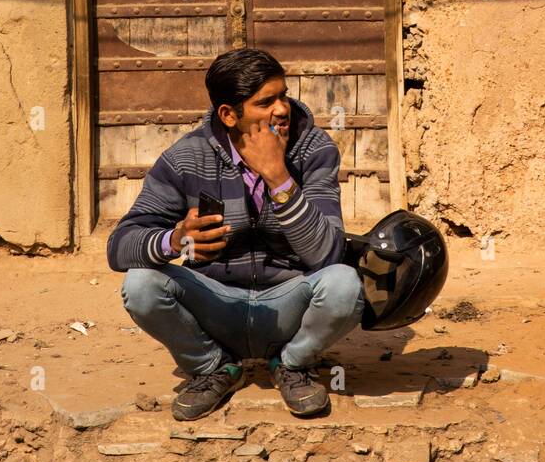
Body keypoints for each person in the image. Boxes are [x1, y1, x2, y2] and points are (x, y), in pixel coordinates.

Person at [108, 47, 364, 421]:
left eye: (283, 95)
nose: (282, 109)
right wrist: (174, 239)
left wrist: (279, 178)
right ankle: (213, 367)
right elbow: (119, 246)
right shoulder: (187, 157)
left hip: (289, 305)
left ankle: (292, 364)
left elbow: (327, 254)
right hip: (217, 305)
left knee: (345, 283)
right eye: (265, 102)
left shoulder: (314, 149)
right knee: (141, 283)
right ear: (229, 114)